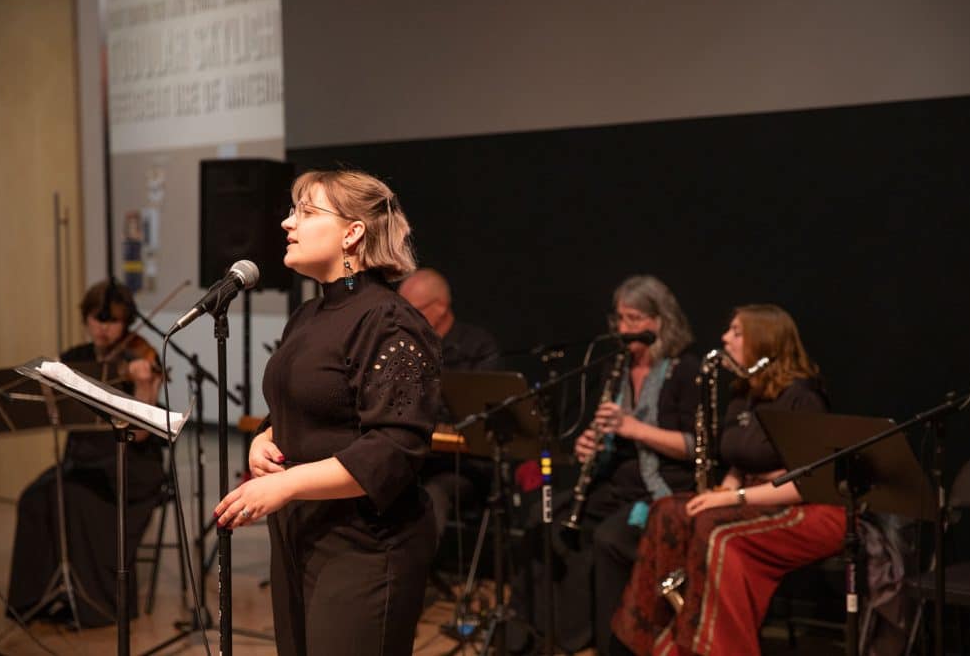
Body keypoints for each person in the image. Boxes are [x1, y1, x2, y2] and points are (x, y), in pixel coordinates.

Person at [213, 168, 441, 655]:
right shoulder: (308, 316)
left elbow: (394, 449)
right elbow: (306, 405)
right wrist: (265, 437)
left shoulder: (390, 320)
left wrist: (286, 484)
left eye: (306, 212)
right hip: (302, 535)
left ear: (352, 233)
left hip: (366, 547)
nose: (286, 224)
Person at [611, 304, 845, 656]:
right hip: (755, 497)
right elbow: (739, 461)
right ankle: (653, 641)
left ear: (764, 340)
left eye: (736, 331)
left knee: (715, 530)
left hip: (812, 509)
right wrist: (728, 488)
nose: (725, 338)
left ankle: (711, 647)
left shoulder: (802, 397)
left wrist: (734, 499)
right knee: (668, 511)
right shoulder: (744, 395)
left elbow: (807, 484)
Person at [510, 275, 699, 655]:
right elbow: (607, 430)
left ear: (660, 321)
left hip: (660, 490)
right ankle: (548, 633)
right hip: (613, 482)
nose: (624, 329)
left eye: (634, 319)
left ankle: (612, 644)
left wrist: (634, 428)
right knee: (542, 518)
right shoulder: (616, 366)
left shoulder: (684, 371)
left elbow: (696, 447)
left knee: (608, 538)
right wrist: (588, 446)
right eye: (620, 319)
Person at [7, 280, 165, 627]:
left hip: (131, 464)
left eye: (113, 321)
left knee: (75, 497)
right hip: (84, 461)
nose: (104, 328)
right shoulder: (75, 358)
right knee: (34, 497)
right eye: (97, 318)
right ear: (86, 318)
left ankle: (96, 604)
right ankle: (40, 595)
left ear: (126, 324)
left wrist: (142, 386)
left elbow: (140, 435)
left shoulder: (141, 358)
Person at [399, 267, 499, 545]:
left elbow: (479, 413)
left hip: (461, 466)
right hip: (414, 457)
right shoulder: (404, 348)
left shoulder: (476, 347)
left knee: (431, 497)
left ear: (440, 308)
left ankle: (414, 578)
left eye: (413, 310)